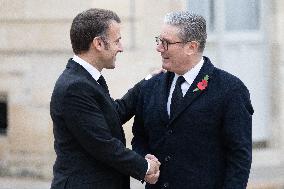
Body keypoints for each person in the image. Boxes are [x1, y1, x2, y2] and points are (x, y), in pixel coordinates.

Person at [132, 11, 254, 189]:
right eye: (159, 40)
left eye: (166, 43)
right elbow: (140, 137)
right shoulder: (151, 86)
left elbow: (239, 157)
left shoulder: (230, 89)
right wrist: (144, 161)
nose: (159, 48)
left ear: (191, 47)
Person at [50, 8, 160, 189]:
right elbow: (102, 144)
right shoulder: (75, 87)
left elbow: (113, 114)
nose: (121, 48)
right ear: (99, 43)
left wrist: (147, 83)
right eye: (117, 41)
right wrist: (146, 166)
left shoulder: (86, 78)